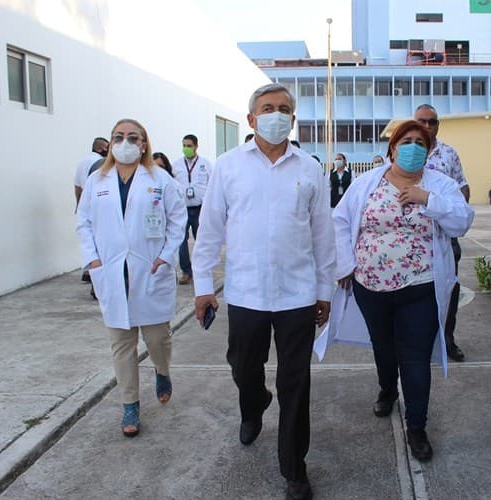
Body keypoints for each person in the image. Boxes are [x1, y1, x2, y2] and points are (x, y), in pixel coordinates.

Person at [192, 83, 334, 500]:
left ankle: (294, 469)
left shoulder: (310, 168)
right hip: (246, 293)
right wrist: (204, 287)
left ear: (293, 120)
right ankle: (252, 405)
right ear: (252, 119)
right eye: (268, 108)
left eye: (284, 109)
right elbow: (209, 231)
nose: (276, 115)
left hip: (298, 295)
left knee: (297, 384)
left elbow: (323, 236)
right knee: (242, 367)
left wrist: (323, 290)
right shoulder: (228, 167)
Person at [330, 120, 474, 461]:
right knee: (383, 347)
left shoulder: (440, 185)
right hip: (370, 285)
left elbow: (461, 223)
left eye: (420, 143)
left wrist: (429, 200)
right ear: (392, 148)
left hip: (420, 286)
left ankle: (417, 426)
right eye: (406, 141)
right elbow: (340, 220)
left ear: (429, 150)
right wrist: (345, 264)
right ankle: (386, 388)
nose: (413, 148)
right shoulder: (367, 182)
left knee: (414, 358)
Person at [76, 119, 186, 438]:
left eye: (132, 137)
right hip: (111, 272)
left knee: (156, 338)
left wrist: (166, 256)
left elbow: (178, 220)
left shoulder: (160, 179)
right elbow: (83, 222)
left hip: (150, 268)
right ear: (110, 143)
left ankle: (162, 371)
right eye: (119, 137)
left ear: (144, 144)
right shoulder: (97, 180)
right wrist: (92, 259)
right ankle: (130, 404)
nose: (125, 142)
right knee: (121, 344)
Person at [414, 104, 469, 362]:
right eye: (422, 121)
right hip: (414, 238)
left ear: (438, 125)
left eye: (432, 122)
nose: (427, 126)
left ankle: (447, 339)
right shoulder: (407, 150)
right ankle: (421, 340)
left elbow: (463, 187)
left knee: (449, 288)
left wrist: (454, 211)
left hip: (445, 234)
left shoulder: (449, 154)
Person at [171, 134, 213, 285]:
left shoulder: (205, 164)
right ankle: (186, 271)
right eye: (184, 145)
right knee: (181, 241)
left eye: (189, 146)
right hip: (181, 209)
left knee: (201, 240)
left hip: (200, 208)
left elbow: (212, 185)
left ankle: (202, 270)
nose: (186, 149)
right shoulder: (176, 165)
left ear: (196, 146)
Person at [74, 137, 109, 286]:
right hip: (100, 207)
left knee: (89, 241)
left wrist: (79, 204)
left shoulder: (82, 163)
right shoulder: (102, 164)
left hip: (88, 205)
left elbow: (77, 186)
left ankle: (89, 271)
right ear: (101, 147)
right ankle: (96, 280)